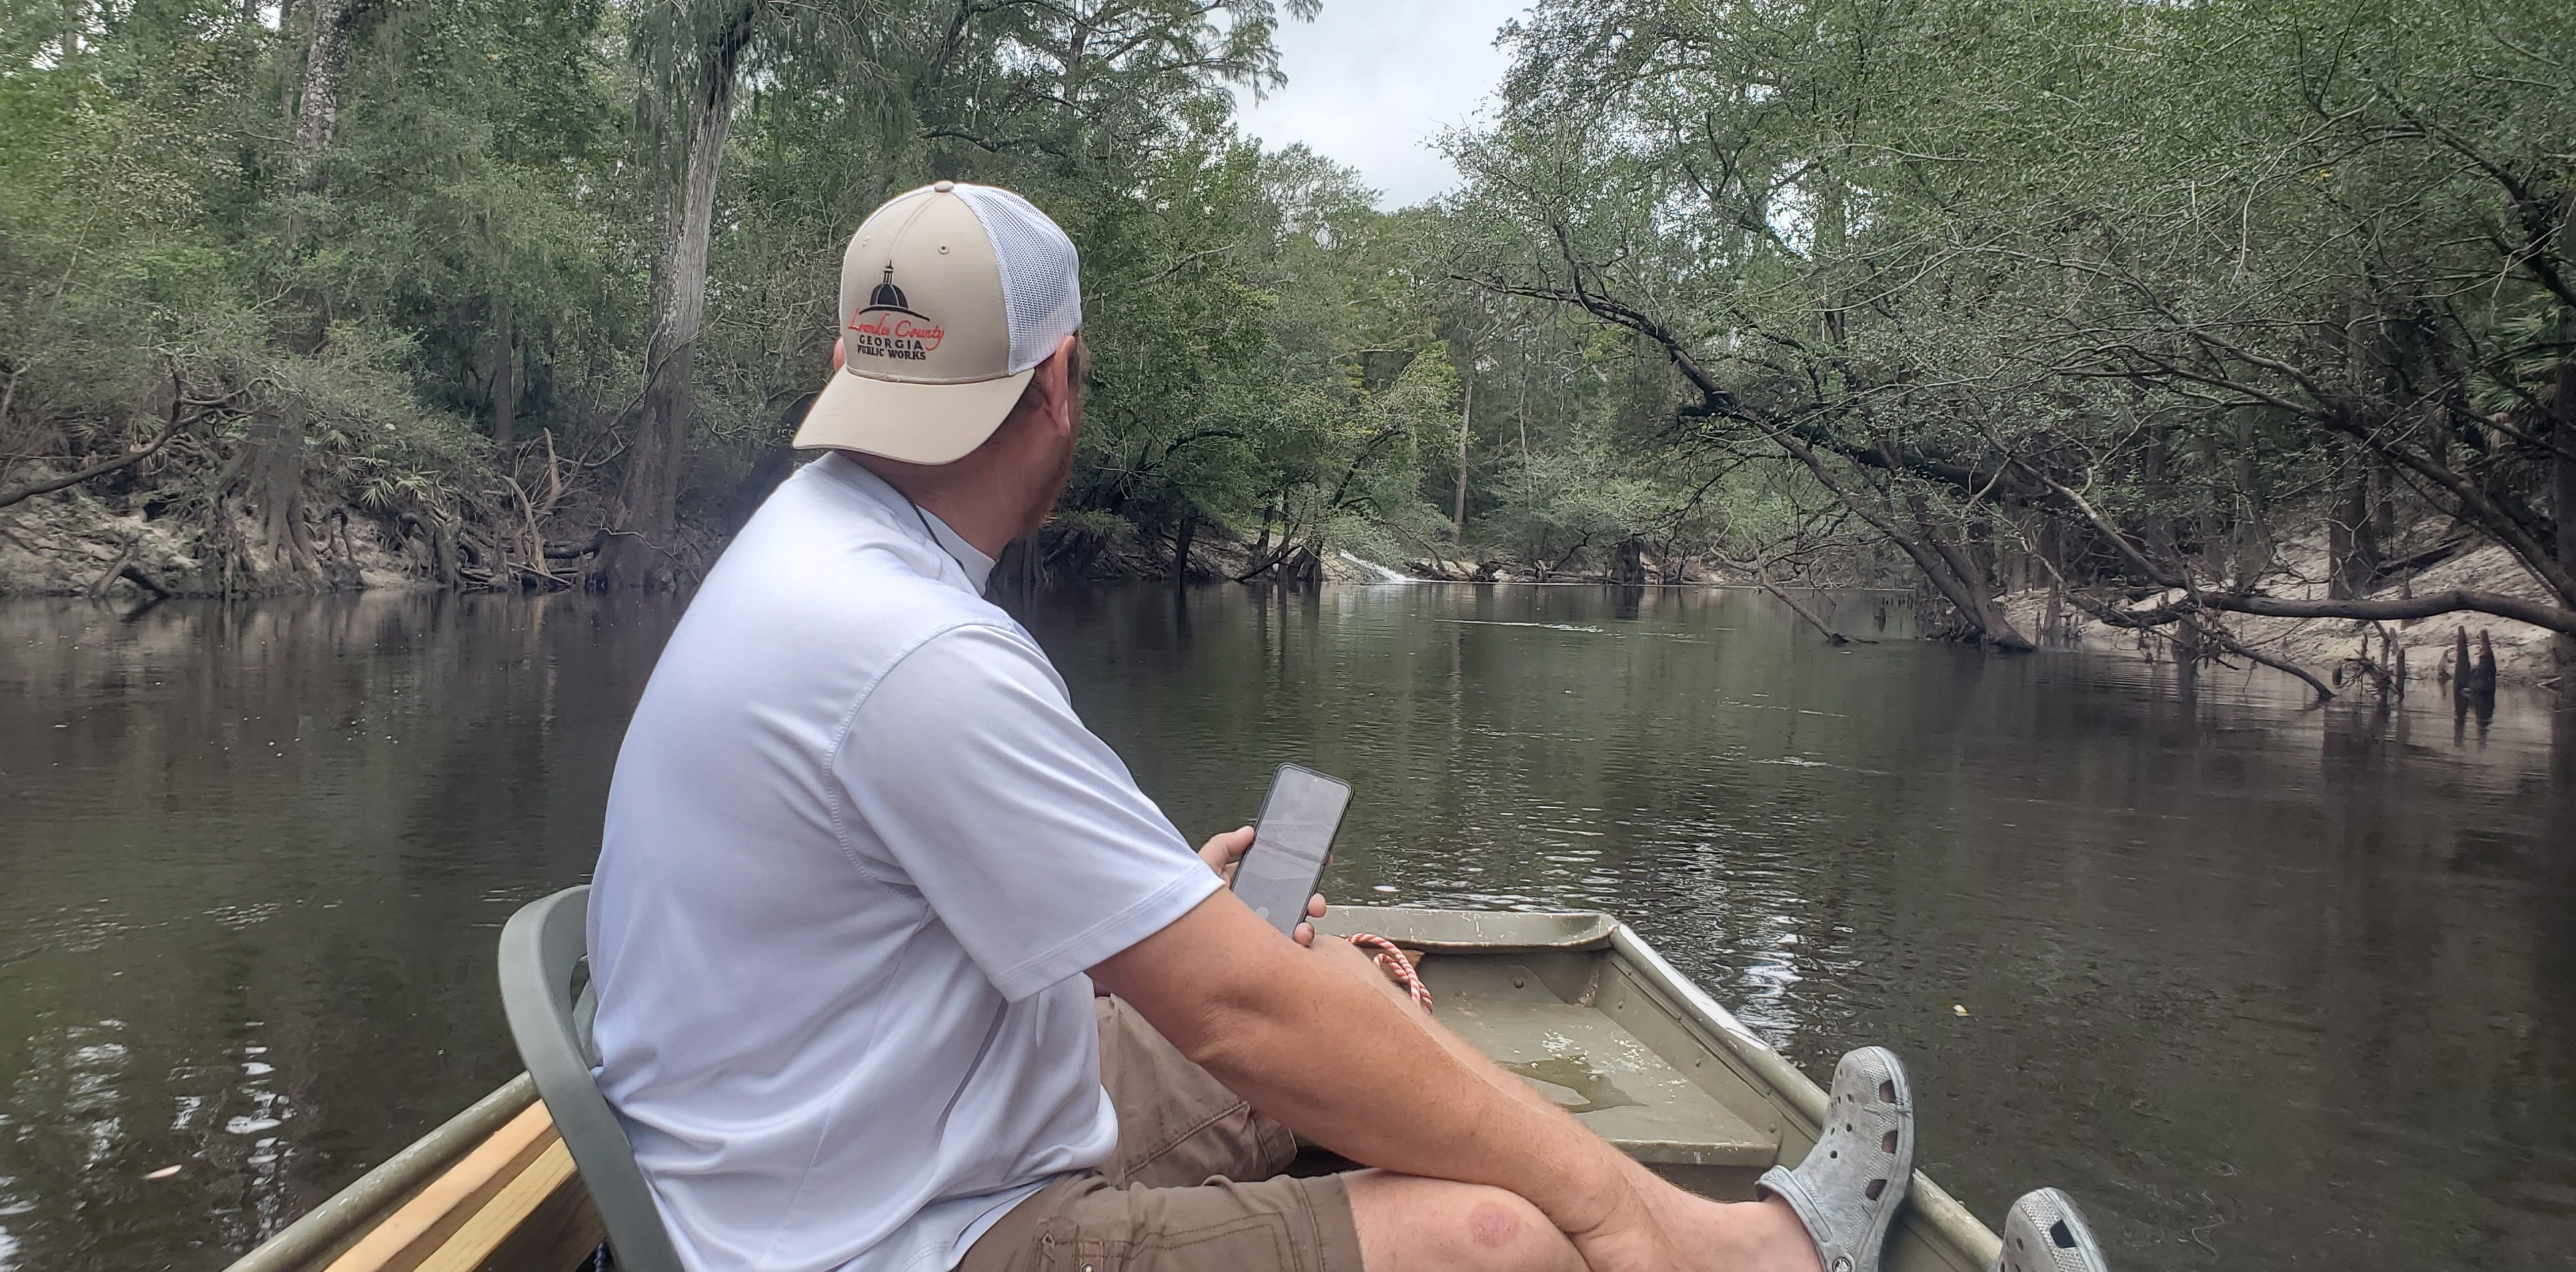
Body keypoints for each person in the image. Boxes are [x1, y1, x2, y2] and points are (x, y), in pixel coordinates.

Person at [584, 180, 2115, 1272]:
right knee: (1500, 1235)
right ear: (1059, 383)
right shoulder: (915, 646)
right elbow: (1237, 1014)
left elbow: (900, 877)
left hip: (827, 1150)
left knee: (1347, 1011)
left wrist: (1175, 898)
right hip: (875, 1235)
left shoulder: (812, 545)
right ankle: (1725, 1252)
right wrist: (1617, 1213)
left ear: (860, 370)